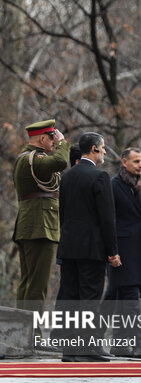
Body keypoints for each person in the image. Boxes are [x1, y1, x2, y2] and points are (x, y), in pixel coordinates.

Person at [55, 132, 121, 362]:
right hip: (92, 249)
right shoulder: (99, 176)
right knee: (90, 299)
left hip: (69, 246)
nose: (104, 152)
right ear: (93, 149)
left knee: (71, 297)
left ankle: (70, 350)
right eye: (102, 148)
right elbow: (107, 219)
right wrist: (112, 251)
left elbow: (62, 214)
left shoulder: (68, 176)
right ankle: (86, 348)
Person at [13, 119, 69, 315]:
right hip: (40, 227)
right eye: (52, 138)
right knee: (37, 286)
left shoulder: (29, 159)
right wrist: (63, 143)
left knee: (27, 282)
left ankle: (20, 330)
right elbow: (61, 161)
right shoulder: (33, 159)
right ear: (43, 138)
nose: (54, 142)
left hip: (31, 226)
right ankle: (32, 333)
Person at [104, 147, 141, 359]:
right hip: (122, 252)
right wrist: (112, 251)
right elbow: (109, 221)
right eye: (136, 161)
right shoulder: (113, 185)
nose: (140, 164)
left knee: (125, 300)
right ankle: (136, 345)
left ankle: (120, 345)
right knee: (131, 300)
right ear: (124, 162)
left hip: (139, 250)